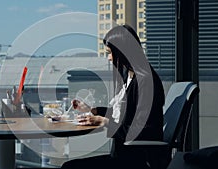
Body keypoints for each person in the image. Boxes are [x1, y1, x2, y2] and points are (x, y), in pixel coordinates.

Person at [61, 24, 165, 169]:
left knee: (69, 167)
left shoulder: (146, 82)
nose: (109, 58)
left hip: (136, 161)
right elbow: (126, 116)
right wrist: (95, 111)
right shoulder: (131, 76)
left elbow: (142, 131)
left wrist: (105, 122)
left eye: (110, 53)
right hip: (124, 157)